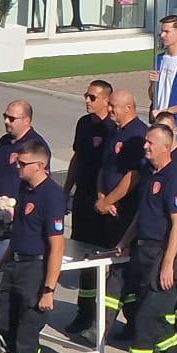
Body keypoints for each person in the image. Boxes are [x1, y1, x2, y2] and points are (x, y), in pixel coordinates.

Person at [103, 123, 177, 353]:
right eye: (145, 142)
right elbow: (143, 215)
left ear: (166, 147)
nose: (145, 146)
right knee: (156, 322)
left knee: (144, 320)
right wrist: (125, 240)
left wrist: (168, 265)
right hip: (142, 253)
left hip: (161, 256)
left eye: (151, 143)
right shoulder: (151, 175)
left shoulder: (174, 177)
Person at [0, 135, 67, 353]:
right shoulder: (24, 187)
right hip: (15, 268)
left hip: (36, 272)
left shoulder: (52, 196)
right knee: (7, 330)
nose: (16, 166)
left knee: (25, 338)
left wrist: (49, 289)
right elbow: (21, 227)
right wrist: (6, 257)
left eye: (22, 163)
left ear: (40, 165)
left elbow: (57, 245)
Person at [62, 80, 115, 335]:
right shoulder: (83, 124)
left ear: (107, 100)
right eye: (86, 96)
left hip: (104, 205)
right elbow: (77, 158)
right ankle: (84, 312)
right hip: (83, 199)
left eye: (93, 97)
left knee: (104, 261)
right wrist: (66, 190)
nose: (87, 100)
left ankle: (108, 318)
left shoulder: (113, 129)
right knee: (82, 257)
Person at [92, 89, 147, 334]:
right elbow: (105, 168)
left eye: (114, 106)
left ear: (128, 107)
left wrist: (109, 200)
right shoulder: (117, 133)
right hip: (109, 210)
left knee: (121, 269)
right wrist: (102, 196)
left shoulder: (137, 135)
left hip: (125, 212)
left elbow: (132, 176)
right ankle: (131, 323)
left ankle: (103, 326)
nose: (110, 109)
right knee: (119, 269)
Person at [0, 100, 47, 200]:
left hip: (19, 209)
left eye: (11, 118)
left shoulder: (36, 147)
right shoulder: (3, 141)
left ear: (26, 121)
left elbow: (41, 186)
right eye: (5, 116)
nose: (6, 121)